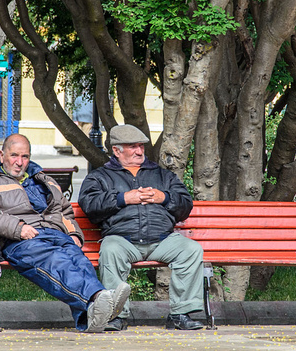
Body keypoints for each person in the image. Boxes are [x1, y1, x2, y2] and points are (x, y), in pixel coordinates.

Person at [0, 134, 130, 332]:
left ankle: (90, 319)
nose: (19, 162)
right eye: (14, 156)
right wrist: (18, 228)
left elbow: (64, 210)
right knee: (56, 261)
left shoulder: (42, 178)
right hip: (19, 240)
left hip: (55, 234)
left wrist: (73, 234)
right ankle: (98, 298)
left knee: (79, 261)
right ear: (2, 155)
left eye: (25, 156)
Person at [78, 124, 204, 332]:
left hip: (162, 239)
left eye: (141, 146)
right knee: (110, 250)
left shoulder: (162, 176)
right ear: (117, 150)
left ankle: (181, 314)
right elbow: (90, 206)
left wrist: (164, 198)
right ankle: (116, 316)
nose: (139, 151)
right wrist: (123, 198)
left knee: (190, 250)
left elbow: (185, 205)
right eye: (132, 146)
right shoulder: (100, 177)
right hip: (122, 238)